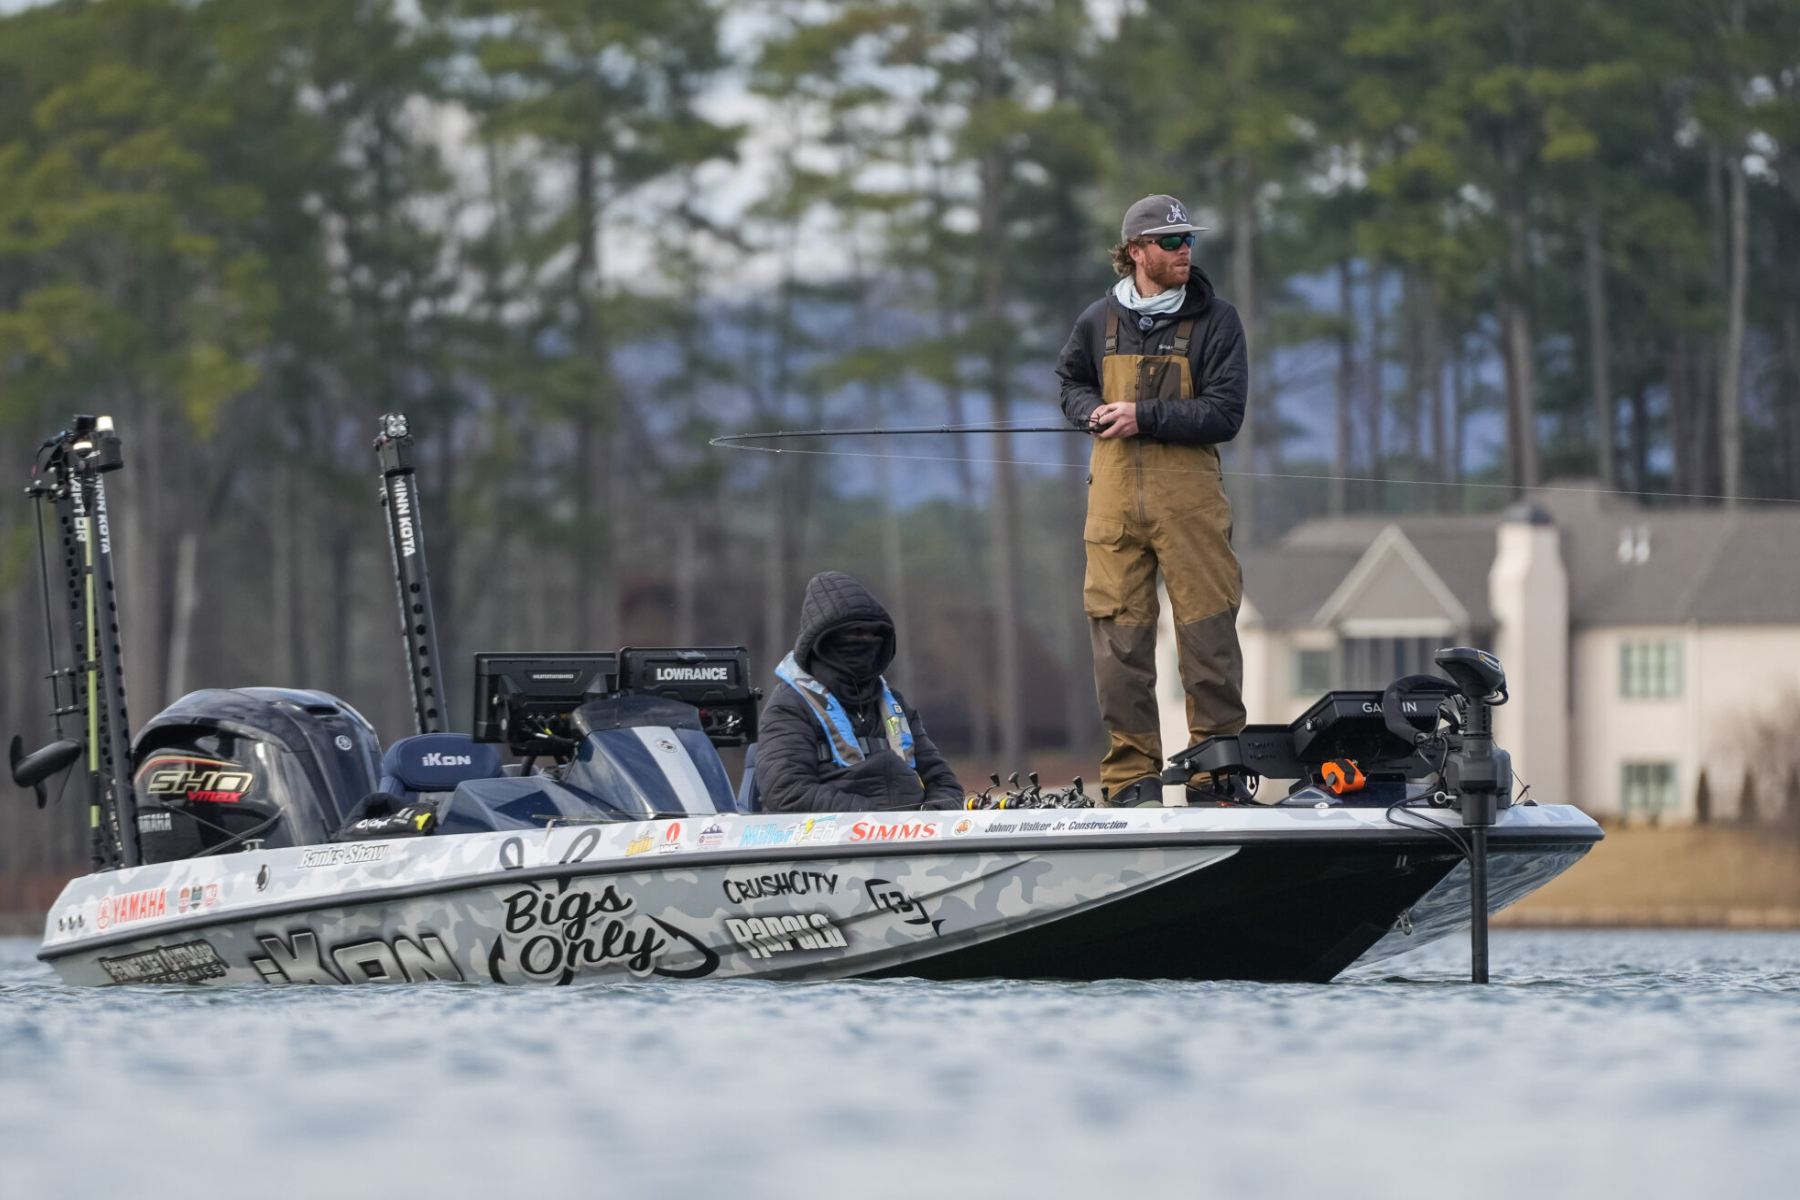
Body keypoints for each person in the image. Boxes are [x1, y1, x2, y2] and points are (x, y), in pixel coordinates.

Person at [1054, 193, 1250, 807]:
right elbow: (1070, 383)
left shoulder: (1218, 321)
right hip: (1112, 510)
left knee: (1209, 646)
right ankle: (1130, 783)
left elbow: (1225, 413)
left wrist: (1144, 416)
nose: (1184, 249)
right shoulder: (1096, 322)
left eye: (1188, 239)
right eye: (1170, 242)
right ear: (1135, 252)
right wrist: (1090, 412)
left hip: (1190, 507)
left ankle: (1214, 777)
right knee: (1119, 651)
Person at [758, 571, 965, 812]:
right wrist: (872, 820)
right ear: (825, 640)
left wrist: (934, 816)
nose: (866, 640)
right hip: (835, 844)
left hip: (912, 842)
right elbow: (786, 792)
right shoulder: (789, 705)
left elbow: (944, 782)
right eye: (855, 633)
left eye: (873, 633)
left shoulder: (894, 704)